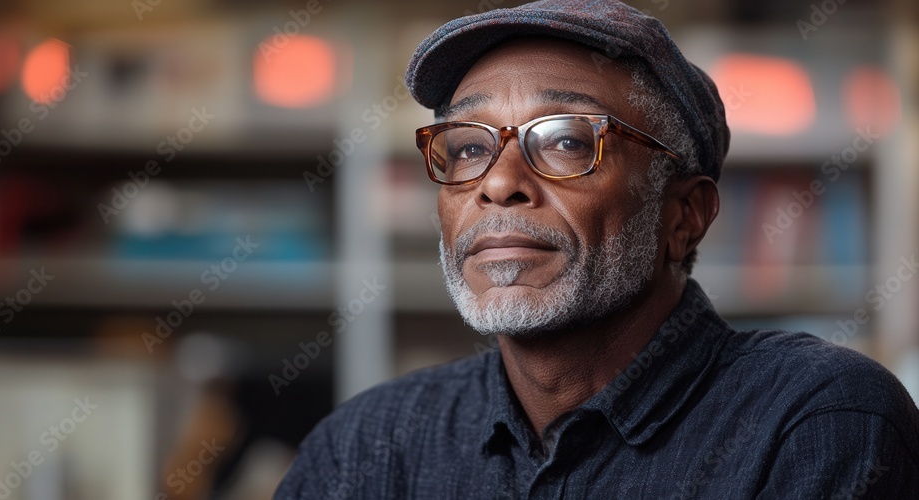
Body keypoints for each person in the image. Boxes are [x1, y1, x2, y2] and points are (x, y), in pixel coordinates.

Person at [276, 0, 919, 498]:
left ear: (684, 215)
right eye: (469, 146)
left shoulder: (815, 419)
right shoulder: (365, 446)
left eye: (565, 141)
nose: (498, 183)